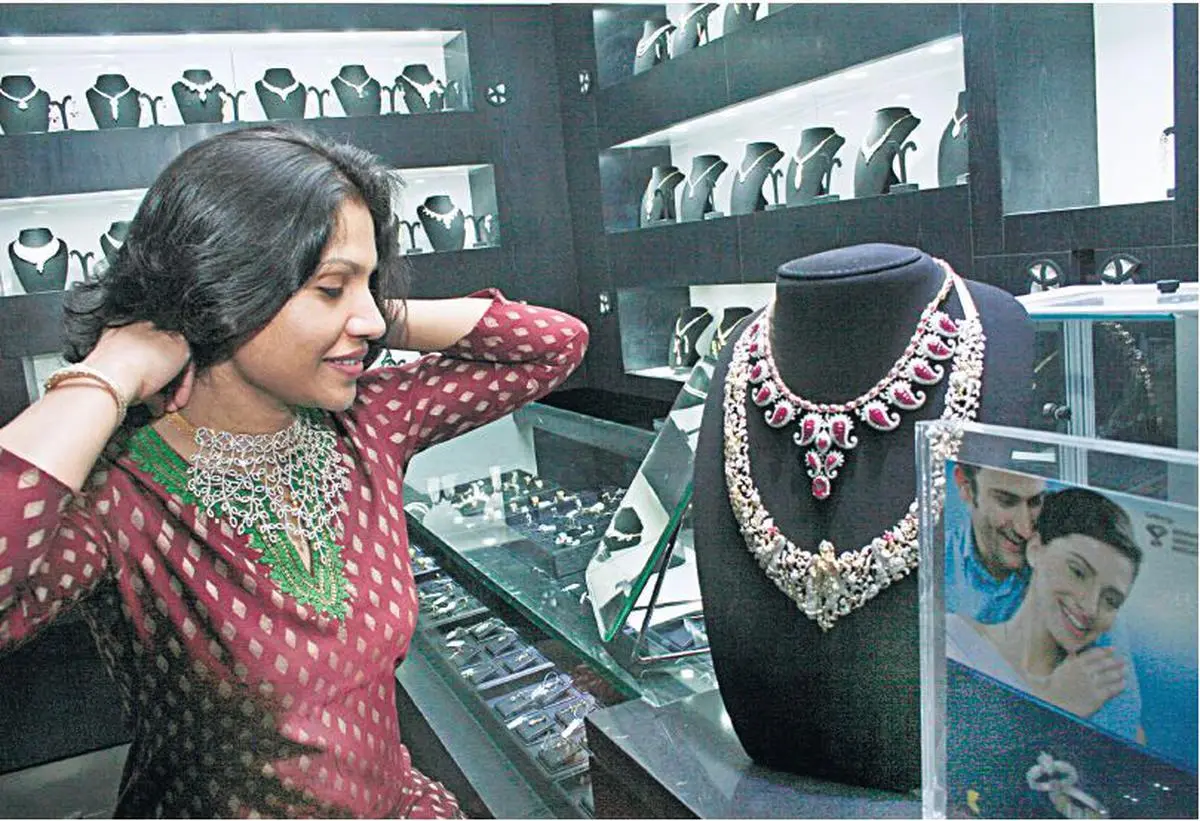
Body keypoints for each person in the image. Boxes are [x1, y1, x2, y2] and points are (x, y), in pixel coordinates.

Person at [0, 125, 588, 818]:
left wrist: (375, 313)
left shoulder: (366, 422)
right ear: (224, 288)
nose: (368, 319)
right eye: (330, 287)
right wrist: (114, 369)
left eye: (369, 283)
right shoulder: (121, 491)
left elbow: (553, 345)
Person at [947, 488, 1146, 744]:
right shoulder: (956, 642)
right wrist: (1053, 704)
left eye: (1111, 600)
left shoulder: (1111, 706)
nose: (1090, 607)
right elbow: (957, 754)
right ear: (1035, 550)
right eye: (1078, 572)